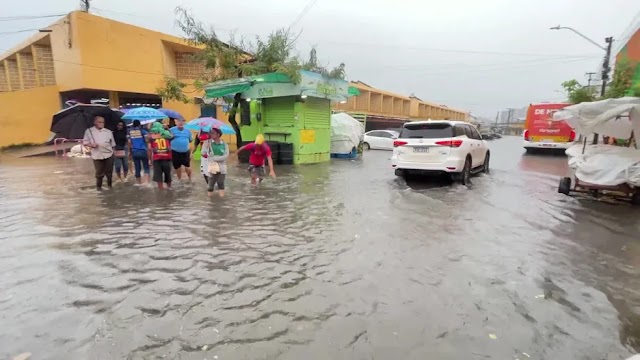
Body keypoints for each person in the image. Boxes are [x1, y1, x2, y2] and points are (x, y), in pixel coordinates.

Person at [83, 116, 115, 191]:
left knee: (109, 173)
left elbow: (113, 144)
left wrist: (114, 153)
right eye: (99, 122)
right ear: (95, 123)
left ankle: (110, 187)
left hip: (108, 154)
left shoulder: (108, 132)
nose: (101, 124)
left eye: (103, 122)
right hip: (96, 155)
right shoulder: (89, 131)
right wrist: (91, 145)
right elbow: (85, 142)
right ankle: (99, 188)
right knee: (99, 174)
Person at [148, 122, 174, 190]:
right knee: (168, 175)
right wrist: (168, 128)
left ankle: (161, 190)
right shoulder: (167, 135)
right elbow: (172, 136)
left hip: (157, 159)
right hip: (167, 158)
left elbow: (149, 148)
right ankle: (169, 189)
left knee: (158, 176)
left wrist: (150, 159)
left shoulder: (151, 136)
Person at [205, 127, 229, 197]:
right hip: (212, 166)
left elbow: (226, 155)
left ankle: (221, 199)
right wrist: (207, 149)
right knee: (210, 185)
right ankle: (210, 200)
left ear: (218, 134)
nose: (211, 134)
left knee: (220, 183)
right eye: (210, 133)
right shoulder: (207, 143)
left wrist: (215, 158)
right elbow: (204, 154)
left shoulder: (224, 144)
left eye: (213, 133)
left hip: (222, 167)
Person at [128, 120, 150, 185]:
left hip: (134, 151)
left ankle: (138, 183)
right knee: (146, 167)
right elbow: (147, 140)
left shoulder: (130, 132)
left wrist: (129, 152)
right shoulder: (142, 131)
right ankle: (146, 183)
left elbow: (129, 142)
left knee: (137, 167)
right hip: (143, 151)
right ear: (139, 125)